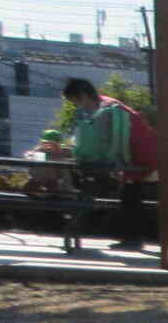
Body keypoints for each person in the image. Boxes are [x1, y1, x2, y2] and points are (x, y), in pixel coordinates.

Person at [62, 77, 158, 252]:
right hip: (137, 155)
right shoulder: (107, 106)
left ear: (83, 96)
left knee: (130, 197)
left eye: (75, 101)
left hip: (139, 156)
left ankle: (132, 239)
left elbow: (112, 141)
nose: (77, 105)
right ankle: (131, 239)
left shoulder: (108, 110)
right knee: (129, 197)